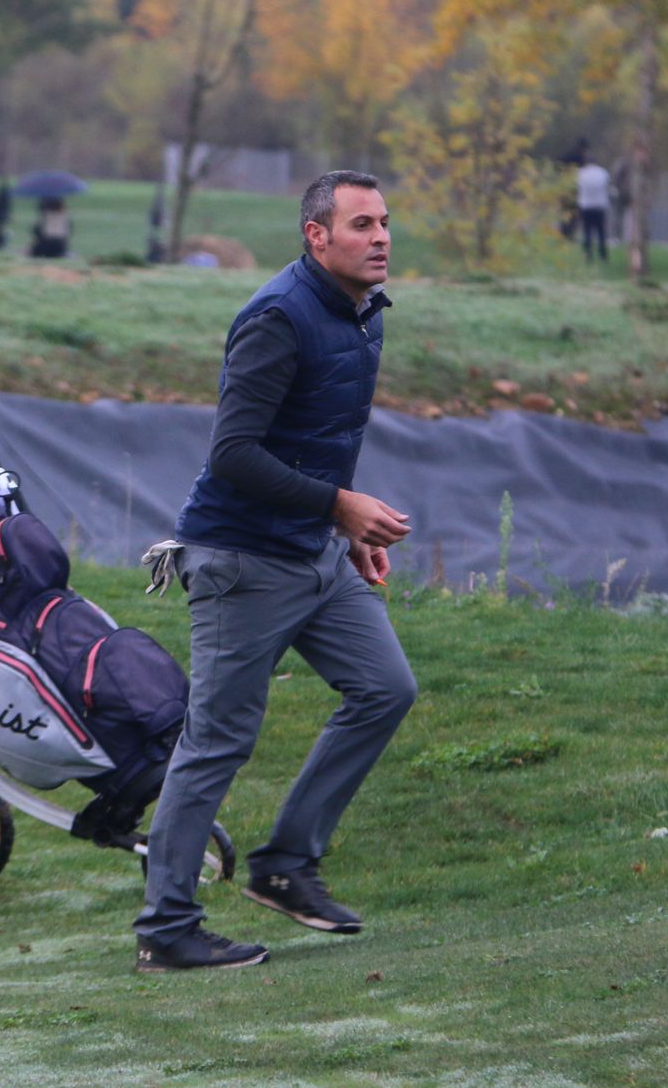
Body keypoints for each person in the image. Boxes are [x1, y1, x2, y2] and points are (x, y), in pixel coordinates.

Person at [134, 170, 418, 973]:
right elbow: (233, 455)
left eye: (385, 222)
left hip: (316, 554)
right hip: (241, 560)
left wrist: (346, 530)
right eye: (362, 224)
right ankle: (166, 930)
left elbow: (326, 432)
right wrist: (341, 506)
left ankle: (286, 864)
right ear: (316, 236)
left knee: (385, 689)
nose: (382, 237)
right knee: (217, 741)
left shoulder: (364, 314)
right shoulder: (277, 317)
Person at [573, 140, 611, 263]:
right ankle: (603, 255)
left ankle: (588, 255)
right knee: (601, 233)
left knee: (587, 232)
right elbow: (607, 187)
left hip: (586, 206)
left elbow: (578, 188)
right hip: (600, 206)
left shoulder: (581, 173)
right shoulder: (603, 173)